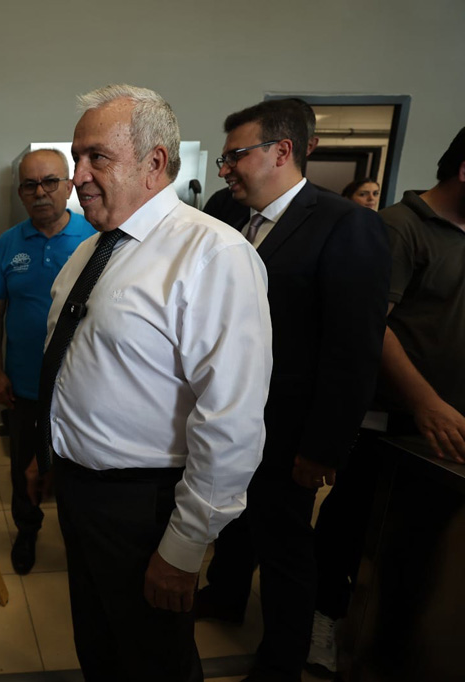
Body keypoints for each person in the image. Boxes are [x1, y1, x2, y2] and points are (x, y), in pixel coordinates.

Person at [42, 83, 272, 681]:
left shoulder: (213, 255)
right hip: (82, 494)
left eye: (97, 157)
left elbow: (232, 419)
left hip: (145, 509)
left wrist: (185, 545)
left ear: (155, 162)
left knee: (154, 664)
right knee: (100, 650)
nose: (78, 175)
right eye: (76, 157)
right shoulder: (89, 252)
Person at [195, 99, 389, 682]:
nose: (225, 168)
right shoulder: (224, 211)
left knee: (283, 544)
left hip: (289, 427)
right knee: (231, 520)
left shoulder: (346, 225)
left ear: (281, 151)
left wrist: (323, 447)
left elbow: (352, 348)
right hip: (226, 414)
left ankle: (281, 660)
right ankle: (224, 596)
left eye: (235, 155)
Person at [308, 127, 465, 676]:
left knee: (421, 540)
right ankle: (322, 617)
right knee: (353, 522)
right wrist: (424, 401)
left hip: (449, 425)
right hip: (391, 418)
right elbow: (372, 325)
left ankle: (395, 632)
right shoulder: (398, 228)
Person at [0, 148, 94, 575]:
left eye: (50, 182)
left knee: (75, 470)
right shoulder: (8, 243)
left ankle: (78, 538)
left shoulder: (95, 239)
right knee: (23, 468)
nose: (40, 192)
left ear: (69, 186)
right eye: (30, 185)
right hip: (25, 384)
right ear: (20, 193)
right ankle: (27, 531)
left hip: (82, 389)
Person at [203, 97, 319, 225]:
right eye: (225, 160)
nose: (223, 172)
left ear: (282, 152)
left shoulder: (333, 220)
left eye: (235, 156)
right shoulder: (222, 206)